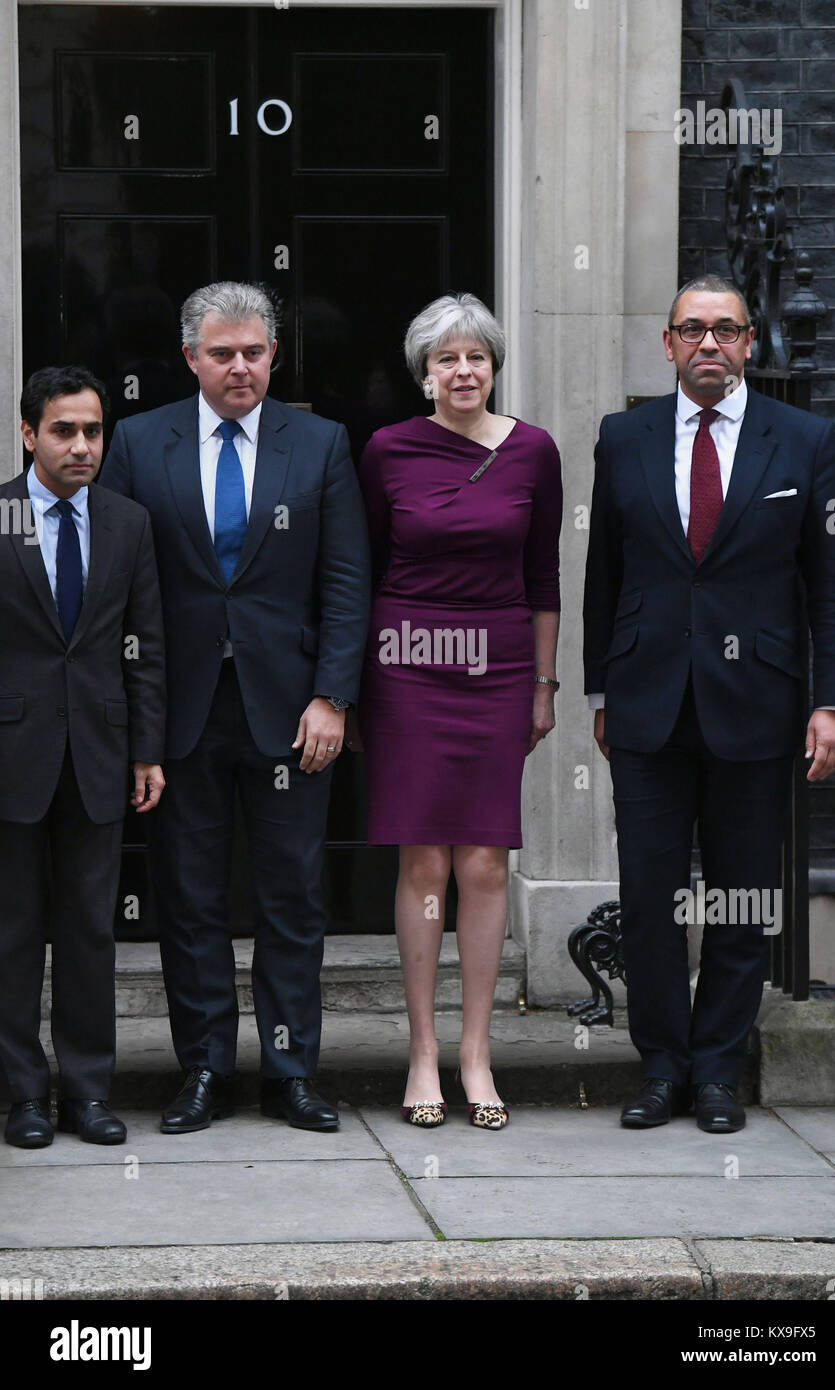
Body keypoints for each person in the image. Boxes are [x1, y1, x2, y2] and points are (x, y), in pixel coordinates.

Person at [583, 274, 835, 1134]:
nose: (710, 344)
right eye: (692, 331)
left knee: (744, 894)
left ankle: (716, 1074)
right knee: (651, 896)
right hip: (647, 703)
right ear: (666, 344)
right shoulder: (622, 437)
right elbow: (605, 575)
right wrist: (598, 685)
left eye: (727, 331)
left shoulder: (807, 440)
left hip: (759, 702)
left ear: (750, 345)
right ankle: (660, 1068)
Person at [99, 281, 370, 1135]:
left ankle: (291, 1071)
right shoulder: (140, 444)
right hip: (179, 715)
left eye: (255, 351)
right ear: (191, 359)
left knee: (292, 899)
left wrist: (333, 695)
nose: (241, 366)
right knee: (190, 901)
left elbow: (345, 579)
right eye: (223, 353)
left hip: (292, 714)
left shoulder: (321, 444)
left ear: (273, 355)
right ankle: (206, 1071)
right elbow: (120, 587)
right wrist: (133, 718)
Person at [356, 293, 562, 1129]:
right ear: (424, 373)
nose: (464, 370)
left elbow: (543, 575)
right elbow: (363, 567)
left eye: (476, 356)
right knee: (423, 865)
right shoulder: (386, 451)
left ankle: (476, 1052)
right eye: (447, 358)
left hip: (499, 664)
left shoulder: (535, 452)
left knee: (481, 862)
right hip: (406, 664)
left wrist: (545, 685)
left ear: (494, 366)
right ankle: (421, 1052)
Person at [0, 366, 165, 1148]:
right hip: (12, 756)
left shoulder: (128, 523)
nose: (81, 446)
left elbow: (148, 650)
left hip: (100, 754)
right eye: (63, 430)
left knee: (91, 931)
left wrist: (148, 750)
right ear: (29, 433)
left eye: (93, 431)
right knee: (13, 932)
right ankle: (25, 1096)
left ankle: (88, 1091)